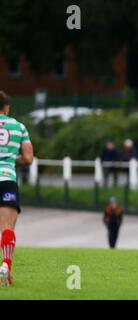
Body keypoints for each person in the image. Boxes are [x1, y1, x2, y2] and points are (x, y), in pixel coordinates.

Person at [0, 91, 34, 286]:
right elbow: (28, 158)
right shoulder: (19, 127)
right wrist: (12, 160)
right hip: (6, 179)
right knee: (7, 228)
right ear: (6, 107)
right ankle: (6, 267)